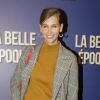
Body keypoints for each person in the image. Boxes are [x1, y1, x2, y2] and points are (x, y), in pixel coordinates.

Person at [10, 7, 78, 100]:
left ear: (61, 27)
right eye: (45, 26)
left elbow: (72, 96)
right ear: (40, 28)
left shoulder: (70, 59)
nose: (49, 31)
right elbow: (15, 81)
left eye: (54, 26)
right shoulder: (29, 51)